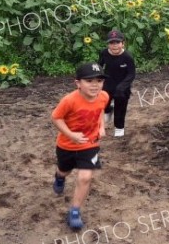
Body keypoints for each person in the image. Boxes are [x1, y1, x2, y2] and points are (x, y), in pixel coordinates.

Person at [52, 62, 109, 230]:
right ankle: (60, 177)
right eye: (89, 81)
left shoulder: (104, 96)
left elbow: (99, 111)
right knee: (65, 170)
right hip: (66, 145)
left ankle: (75, 211)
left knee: (85, 177)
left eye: (99, 81)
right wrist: (71, 135)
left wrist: (101, 127)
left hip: (90, 144)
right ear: (78, 83)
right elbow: (56, 118)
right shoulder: (69, 100)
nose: (95, 85)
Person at [98, 30, 136, 137]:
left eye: (117, 42)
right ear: (108, 44)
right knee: (102, 102)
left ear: (123, 43)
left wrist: (122, 86)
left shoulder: (127, 57)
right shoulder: (104, 53)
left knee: (120, 106)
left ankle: (119, 128)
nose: (114, 46)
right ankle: (108, 109)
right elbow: (100, 66)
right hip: (108, 83)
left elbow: (131, 74)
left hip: (123, 85)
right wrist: (98, 79)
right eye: (111, 43)